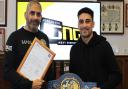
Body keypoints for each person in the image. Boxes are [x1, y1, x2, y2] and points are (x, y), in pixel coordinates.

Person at [3, 1, 55, 89]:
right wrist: (29, 84)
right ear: (25, 15)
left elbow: (48, 69)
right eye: (32, 13)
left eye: (38, 14)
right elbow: (7, 71)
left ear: (41, 17)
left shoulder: (44, 38)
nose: (35, 17)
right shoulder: (14, 37)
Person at [69, 7, 122, 89]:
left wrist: (102, 88)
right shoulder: (74, 49)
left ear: (93, 24)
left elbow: (116, 75)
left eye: (87, 21)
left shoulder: (104, 46)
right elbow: (73, 78)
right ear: (78, 25)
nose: (84, 25)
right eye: (81, 22)